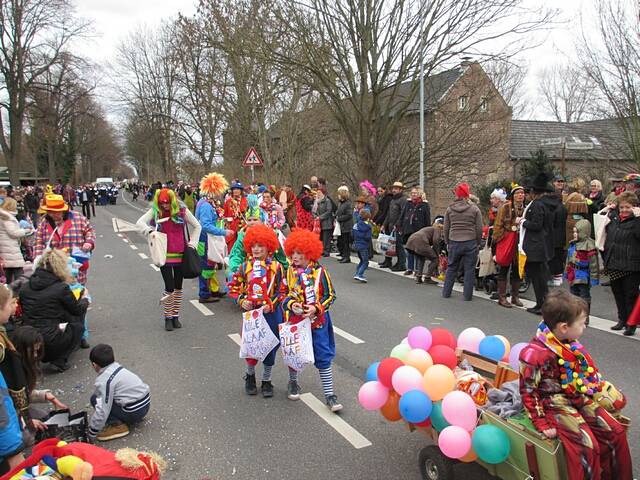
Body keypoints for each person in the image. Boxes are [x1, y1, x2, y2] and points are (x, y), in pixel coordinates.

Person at [519, 290, 632, 480]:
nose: (584, 327)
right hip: (553, 403)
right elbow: (528, 391)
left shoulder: (569, 343)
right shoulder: (535, 353)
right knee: (586, 447)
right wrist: (541, 422)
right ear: (564, 327)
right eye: (582, 323)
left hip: (576, 394)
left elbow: (583, 374)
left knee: (615, 431)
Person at [282, 229, 341, 412]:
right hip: (296, 321)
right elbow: (283, 295)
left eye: (299, 253)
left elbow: (331, 295)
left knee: (323, 356)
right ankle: (293, 382)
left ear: (309, 253)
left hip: (318, 323)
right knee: (294, 354)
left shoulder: (321, 272)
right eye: (293, 252)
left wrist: (316, 308)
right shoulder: (289, 272)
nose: (295, 256)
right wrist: (292, 305)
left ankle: (330, 395)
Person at [228, 225, 284, 398]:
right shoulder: (245, 267)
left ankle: (267, 380)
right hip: (252, 314)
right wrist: (241, 300)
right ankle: (250, 375)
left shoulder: (277, 267)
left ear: (269, 247)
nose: (257, 249)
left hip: (271, 313)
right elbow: (233, 287)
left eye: (261, 245)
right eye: (254, 246)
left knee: (270, 347)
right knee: (251, 346)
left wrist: (272, 304)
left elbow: (283, 290)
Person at [136, 188, 201, 331]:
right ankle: (167, 317)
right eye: (161, 203)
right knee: (169, 287)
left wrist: (192, 245)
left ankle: (175, 316)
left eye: (167, 203)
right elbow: (140, 223)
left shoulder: (182, 211)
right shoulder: (156, 211)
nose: (164, 205)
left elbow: (197, 226)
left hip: (181, 254)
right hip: (163, 255)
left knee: (178, 287)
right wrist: (150, 231)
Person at [19, 249, 88, 372]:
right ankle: (59, 360)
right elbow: (77, 310)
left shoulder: (25, 287)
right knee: (78, 326)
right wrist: (85, 299)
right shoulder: (61, 288)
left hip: (29, 338)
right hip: (50, 340)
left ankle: (33, 358)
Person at [88, 344, 151, 442]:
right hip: (145, 405)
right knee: (109, 397)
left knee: (95, 399)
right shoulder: (118, 368)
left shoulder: (104, 380)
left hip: (133, 412)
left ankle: (117, 426)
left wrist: (92, 432)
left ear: (94, 365)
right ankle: (130, 418)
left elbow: (103, 409)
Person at [34, 194, 95, 285]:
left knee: (77, 293)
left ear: (63, 210)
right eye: (50, 212)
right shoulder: (44, 223)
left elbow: (89, 231)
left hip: (76, 266)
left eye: (56, 212)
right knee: (57, 294)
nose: (52, 215)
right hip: (54, 269)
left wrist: (89, 242)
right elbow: (38, 241)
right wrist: (38, 260)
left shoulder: (78, 217)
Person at [601, 191, 640, 336]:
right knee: (617, 293)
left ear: (634, 207)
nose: (624, 210)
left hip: (632, 264)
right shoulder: (614, 218)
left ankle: (631, 323)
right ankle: (622, 319)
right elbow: (601, 229)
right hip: (614, 261)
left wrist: (638, 218)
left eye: (628, 207)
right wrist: (605, 211)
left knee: (630, 295)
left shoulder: (637, 220)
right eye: (622, 207)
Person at [520, 174, 555, 315]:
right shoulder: (539, 204)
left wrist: (522, 222)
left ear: (534, 193)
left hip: (536, 247)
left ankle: (543, 304)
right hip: (537, 246)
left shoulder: (537, 205)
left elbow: (536, 225)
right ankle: (540, 303)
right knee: (537, 278)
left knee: (539, 278)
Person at [195, 173, 232, 304]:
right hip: (204, 240)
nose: (220, 194)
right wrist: (224, 232)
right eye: (218, 191)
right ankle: (204, 294)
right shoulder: (205, 205)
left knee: (211, 265)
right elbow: (206, 226)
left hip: (209, 239)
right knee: (206, 266)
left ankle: (212, 290)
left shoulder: (207, 202)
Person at [442, 183, 483, 301]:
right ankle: (467, 296)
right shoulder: (475, 209)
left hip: (454, 241)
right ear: (467, 194)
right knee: (469, 269)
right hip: (470, 241)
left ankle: (446, 292)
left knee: (451, 267)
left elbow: (446, 227)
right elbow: (479, 228)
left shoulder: (450, 209)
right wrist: (478, 242)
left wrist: (447, 241)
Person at [492, 184, 526, 308]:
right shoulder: (505, 207)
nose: (520, 195)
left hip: (519, 243)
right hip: (507, 241)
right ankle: (502, 297)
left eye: (522, 193)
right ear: (513, 196)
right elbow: (498, 225)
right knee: (504, 269)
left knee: (517, 270)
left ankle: (515, 297)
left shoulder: (526, 208)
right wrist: (502, 237)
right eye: (518, 193)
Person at [565, 219, 599, 324]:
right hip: (573, 273)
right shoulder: (573, 244)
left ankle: (584, 317)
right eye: (574, 232)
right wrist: (566, 272)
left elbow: (594, 264)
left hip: (583, 275)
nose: (575, 234)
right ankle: (575, 315)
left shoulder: (589, 245)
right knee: (573, 296)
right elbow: (568, 259)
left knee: (584, 297)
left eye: (577, 232)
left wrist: (594, 278)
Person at [395, 187, 431, 275]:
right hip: (408, 230)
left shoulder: (424, 205)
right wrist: (398, 225)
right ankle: (410, 268)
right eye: (412, 193)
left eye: (415, 193)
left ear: (419, 194)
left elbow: (427, 219)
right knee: (409, 250)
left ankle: (417, 269)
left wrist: (427, 231)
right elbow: (403, 215)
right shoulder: (408, 203)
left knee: (418, 251)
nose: (413, 194)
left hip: (419, 231)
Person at [0, 198, 33, 284]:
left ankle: (8, 292)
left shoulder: (4, 216)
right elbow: (13, 232)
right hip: (10, 248)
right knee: (18, 272)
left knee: (8, 272)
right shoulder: (7, 218)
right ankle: (19, 292)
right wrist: (26, 230)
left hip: (6, 247)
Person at [405, 216, 444, 285]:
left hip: (411, 240)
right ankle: (427, 278)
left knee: (421, 258)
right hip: (420, 241)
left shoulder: (430, 228)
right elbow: (436, 241)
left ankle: (419, 277)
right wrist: (437, 254)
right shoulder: (437, 229)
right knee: (435, 259)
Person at [379, 182, 406, 269]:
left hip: (398, 227)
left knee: (398, 246)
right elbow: (389, 214)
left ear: (400, 190)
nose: (394, 190)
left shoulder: (403, 200)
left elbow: (403, 213)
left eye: (396, 189)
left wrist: (397, 224)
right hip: (390, 226)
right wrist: (384, 224)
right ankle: (388, 261)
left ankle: (401, 264)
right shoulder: (393, 200)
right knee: (389, 245)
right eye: (393, 188)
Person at [223, 182, 248, 251]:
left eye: (238, 189)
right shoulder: (228, 202)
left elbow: (248, 214)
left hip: (242, 228)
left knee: (242, 247)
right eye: (234, 189)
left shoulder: (245, 201)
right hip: (231, 228)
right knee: (231, 248)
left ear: (241, 191)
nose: (236, 190)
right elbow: (224, 215)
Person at [352, 208, 372, 283]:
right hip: (363, 245)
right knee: (365, 261)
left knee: (361, 260)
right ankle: (359, 274)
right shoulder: (368, 227)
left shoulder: (356, 225)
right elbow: (368, 237)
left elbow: (352, 234)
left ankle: (358, 272)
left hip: (356, 244)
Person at [335, 186, 353, 264]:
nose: (338, 196)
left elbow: (349, 215)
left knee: (346, 243)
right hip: (341, 225)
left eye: (339, 194)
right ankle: (343, 256)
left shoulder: (348, 204)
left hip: (347, 226)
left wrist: (339, 218)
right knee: (342, 241)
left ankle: (347, 257)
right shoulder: (340, 203)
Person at [314, 188, 334, 257]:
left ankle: (326, 251)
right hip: (320, 223)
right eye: (317, 193)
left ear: (323, 193)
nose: (318, 194)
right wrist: (315, 216)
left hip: (327, 222)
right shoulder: (317, 202)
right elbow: (314, 211)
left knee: (326, 238)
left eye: (319, 192)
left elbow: (329, 211)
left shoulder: (327, 201)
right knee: (321, 237)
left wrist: (320, 217)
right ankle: (322, 250)